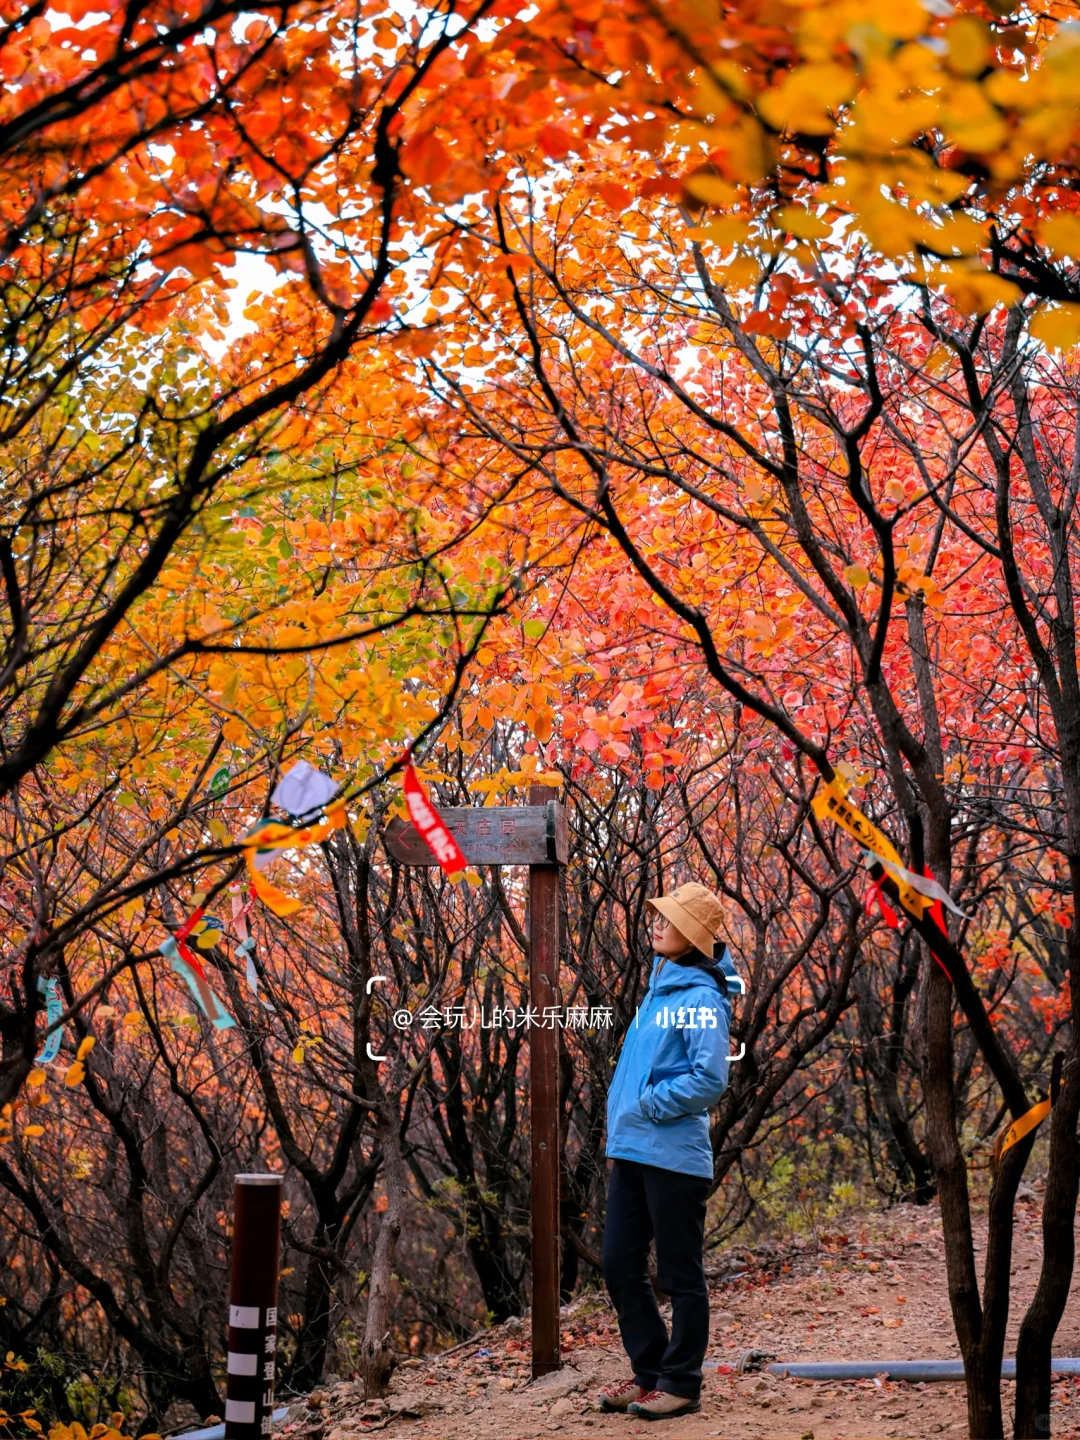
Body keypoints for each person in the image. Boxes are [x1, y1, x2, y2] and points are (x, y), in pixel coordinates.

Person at [594, 881, 735, 1422]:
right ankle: (651, 1371)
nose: (657, 924)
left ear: (692, 937)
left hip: (673, 1156)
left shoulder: (701, 998)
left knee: (680, 1273)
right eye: (659, 917)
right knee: (617, 1265)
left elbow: (708, 1079)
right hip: (632, 1151)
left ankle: (681, 1382)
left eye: (669, 920)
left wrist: (651, 1105)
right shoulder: (657, 994)